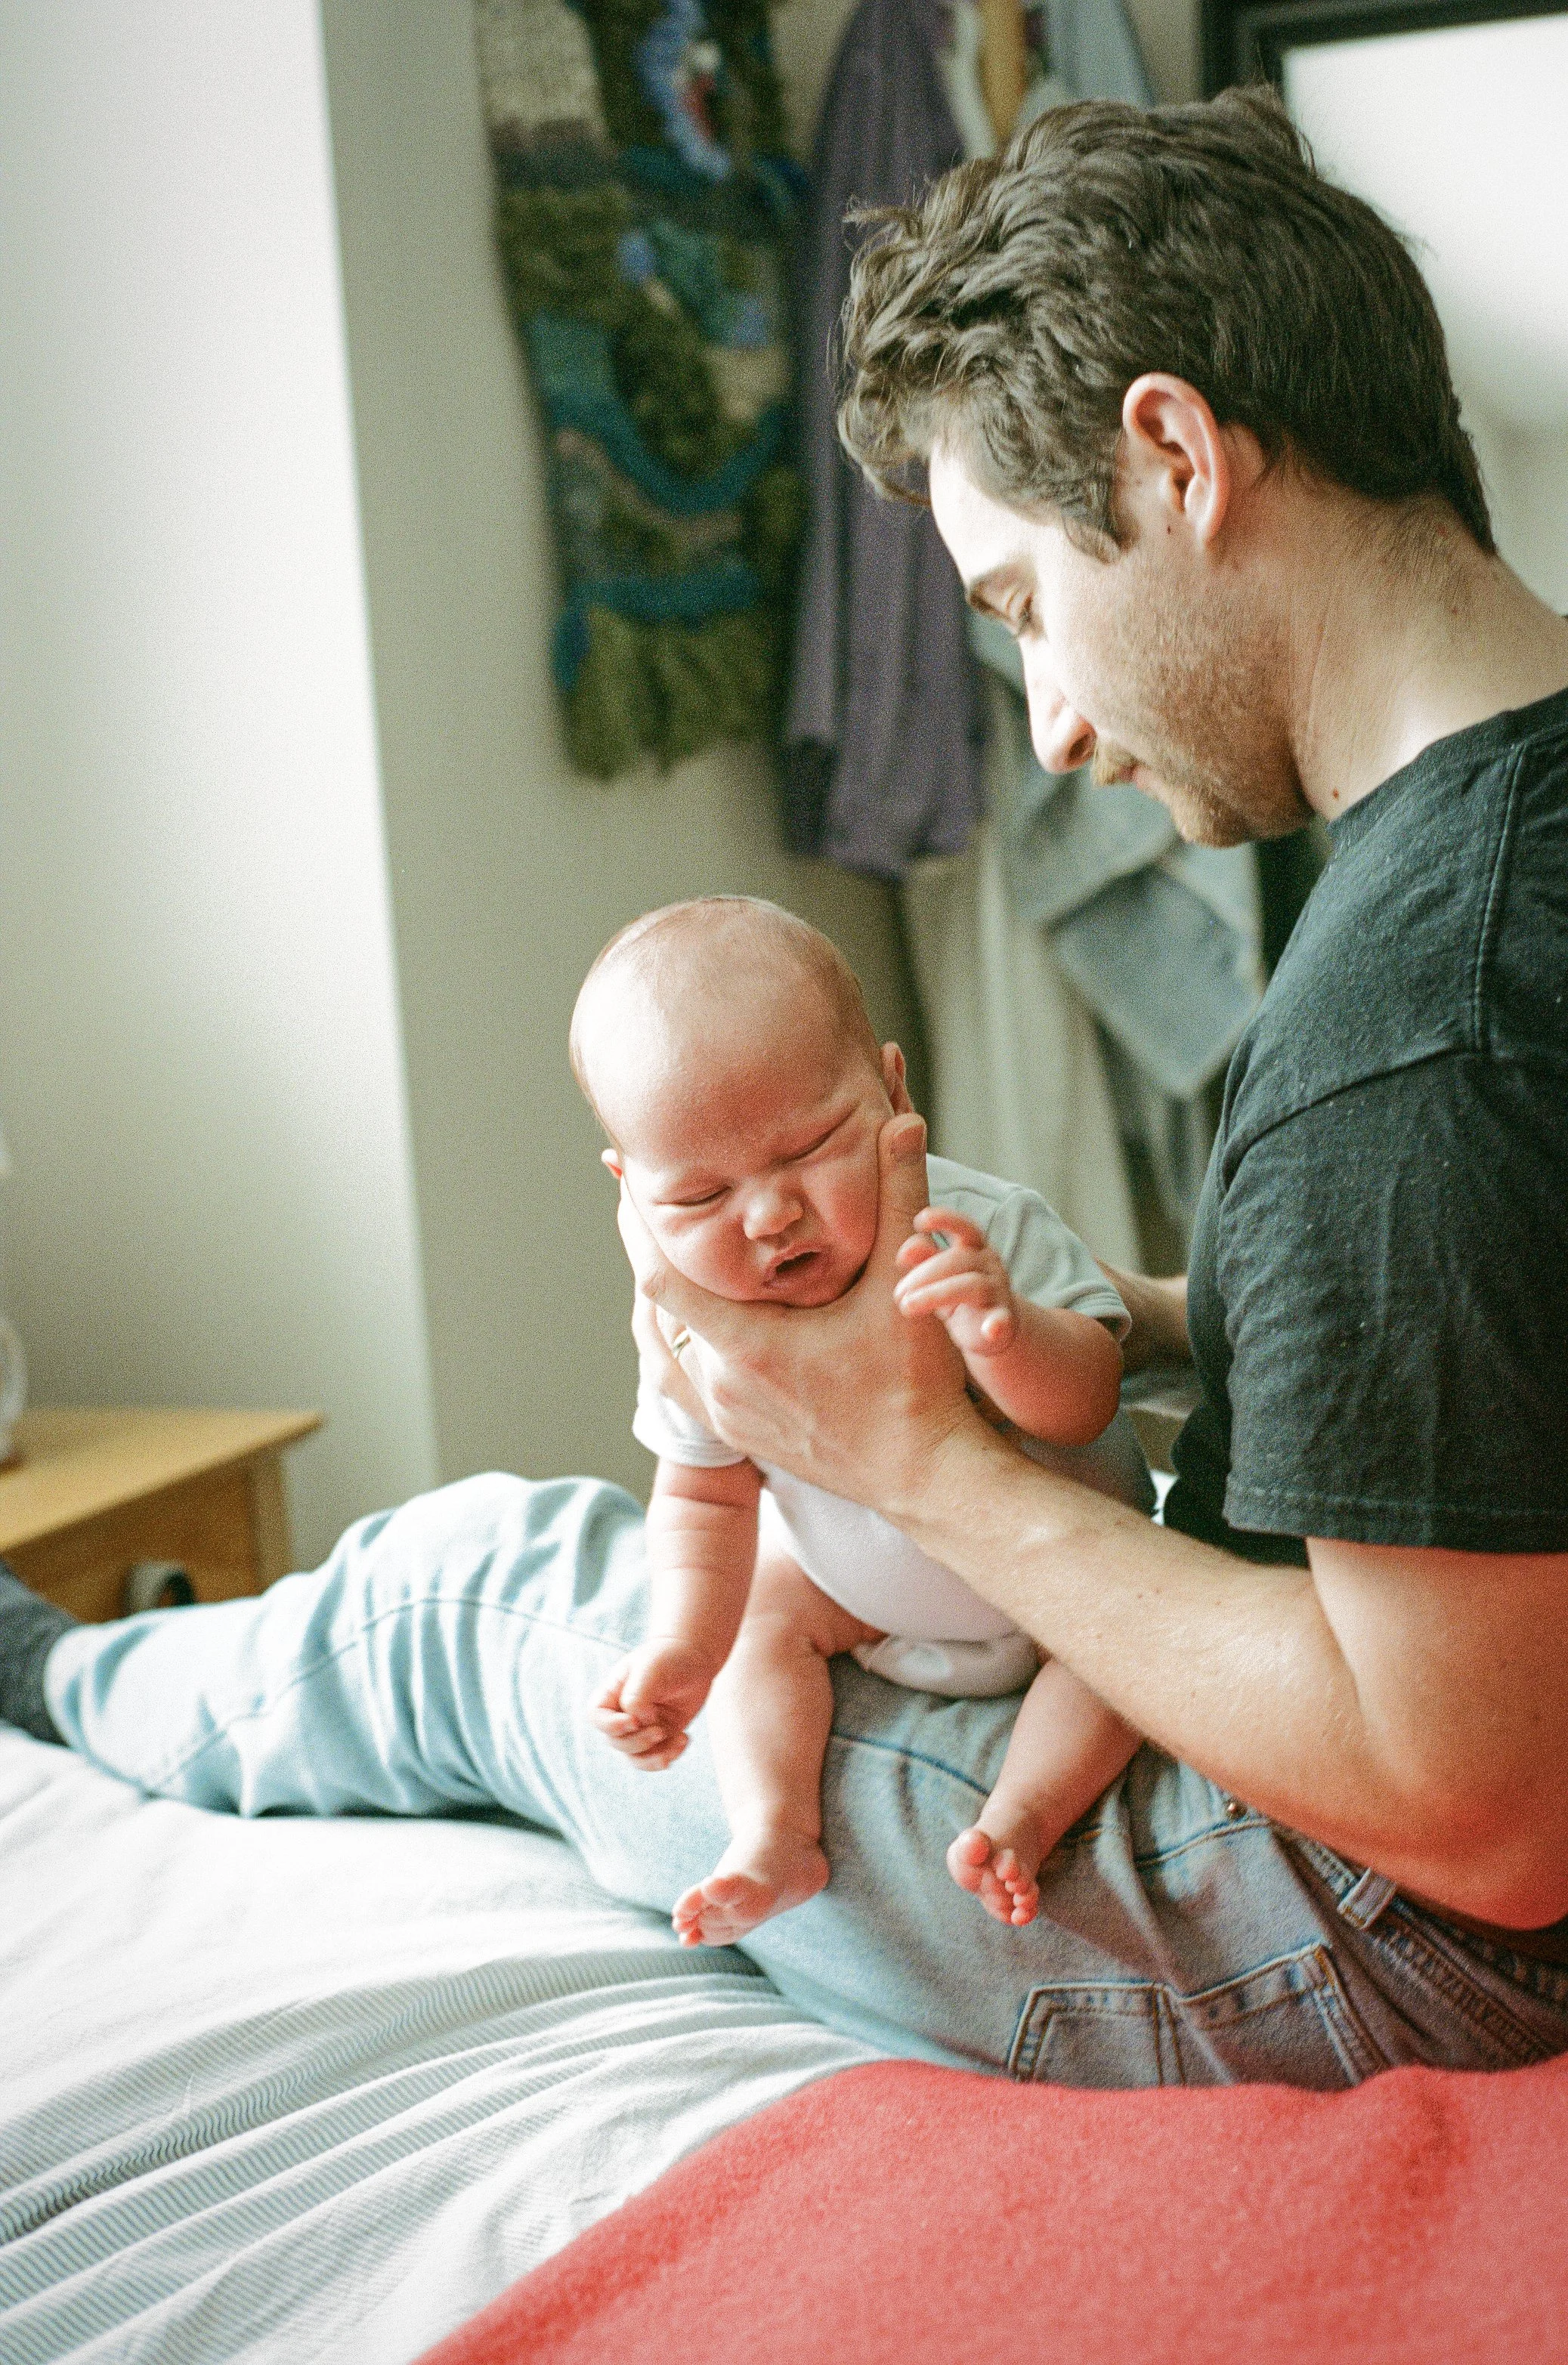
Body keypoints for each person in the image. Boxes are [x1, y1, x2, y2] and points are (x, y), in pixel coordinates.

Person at [5, 84, 1568, 2086]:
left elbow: (1478, 1809)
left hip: (1345, 1921)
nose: (1064, 727)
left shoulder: (1407, 1023)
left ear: (1173, 455)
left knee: (478, 1588)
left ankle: (55, 1685)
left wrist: (919, 1463)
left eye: (1021, 607)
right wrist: (1144, 1311)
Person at [572, 895, 1149, 1943]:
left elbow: (1088, 1403)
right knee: (762, 1613)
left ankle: (1021, 1817)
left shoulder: (978, 1230)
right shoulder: (690, 1327)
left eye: (809, 1147)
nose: (767, 1214)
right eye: (699, 1197)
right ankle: (772, 1833)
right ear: (631, 1193)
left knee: (1128, 1657)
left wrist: (1004, 1330)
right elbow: (703, 1495)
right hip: (866, 1605)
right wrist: (679, 1651)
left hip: (1063, 1592)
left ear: (891, 1092)